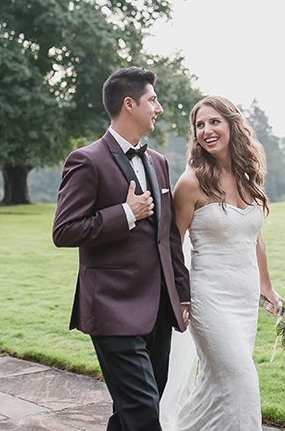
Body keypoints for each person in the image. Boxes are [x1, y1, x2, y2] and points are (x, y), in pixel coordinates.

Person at [53, 66, 191, 431]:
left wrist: (181, 293)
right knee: (144, 412)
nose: (158, 108)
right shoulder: (86, 160)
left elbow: (168, 237)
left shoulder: (159, 162)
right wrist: (126, 213)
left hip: (158, 308)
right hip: (113, 307)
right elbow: (64, 230)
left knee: (137, 410)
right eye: (153, 100)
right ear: (129, 104)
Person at [162, 95, 281, 430]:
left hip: (244, 299)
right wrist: (180, 297)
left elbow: (255, 237)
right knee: (242, 380)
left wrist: (267, 286)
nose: (206, 130)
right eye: (199, 124)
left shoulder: (249, 176)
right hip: (208, 296)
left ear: (232, 124)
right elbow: (173, 243)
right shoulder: (191, 182)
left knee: (218, 384)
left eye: (214, 121)